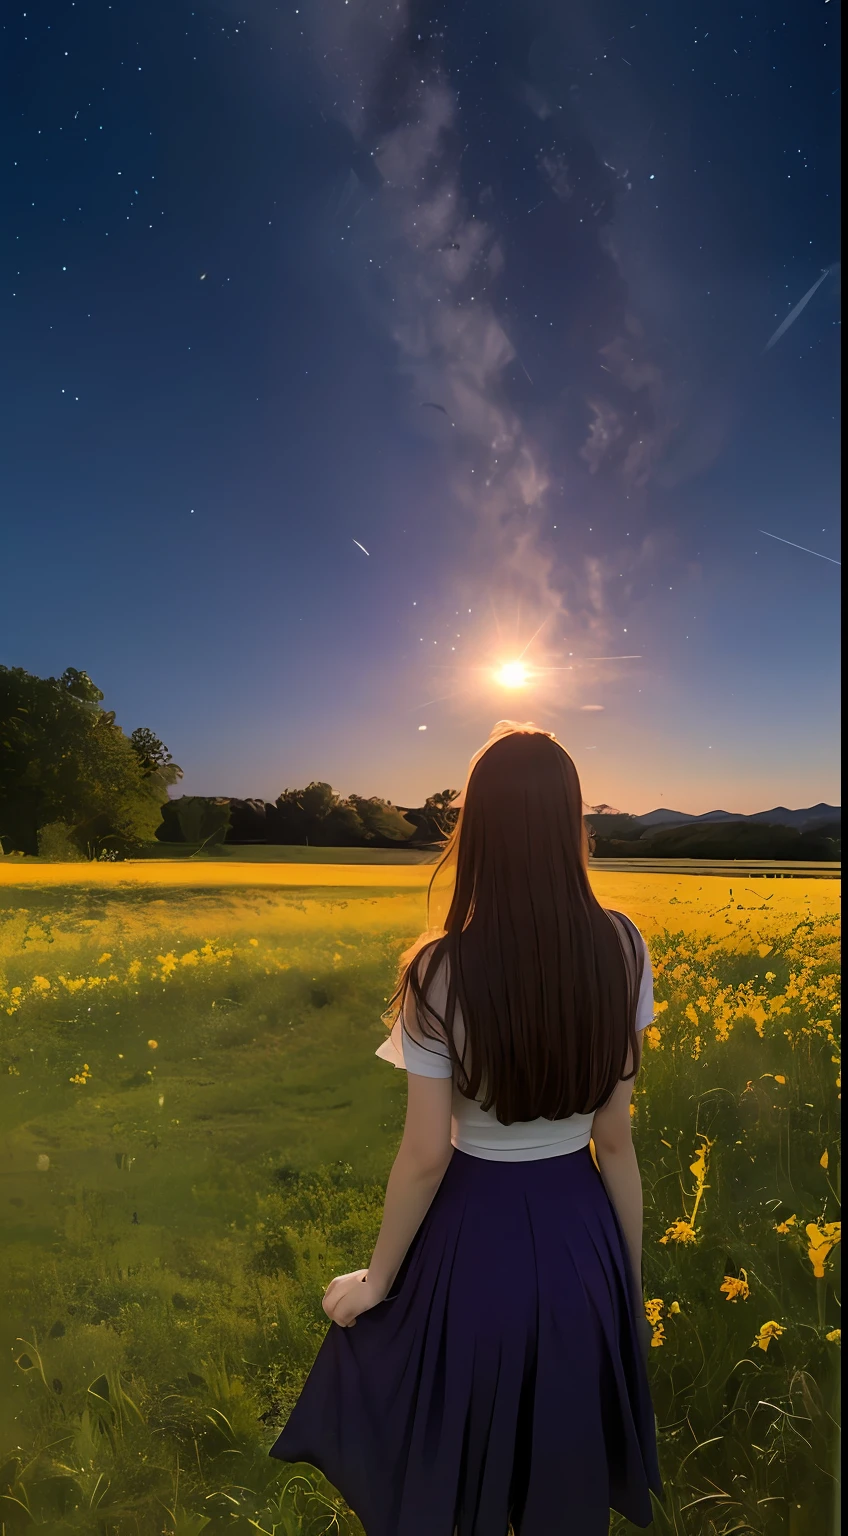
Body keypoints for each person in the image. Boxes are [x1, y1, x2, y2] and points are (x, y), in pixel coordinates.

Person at [269, 721, 664, 1535]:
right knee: (558, 1467)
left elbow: (422, 1157)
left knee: (460, 1459)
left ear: (474, 829)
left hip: (471, 1234)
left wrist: (377, 1281)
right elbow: (615, 1142)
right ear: (571, 825)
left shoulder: (438, 969)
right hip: (581, 1235)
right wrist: (623, 1283)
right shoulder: (624, 946)